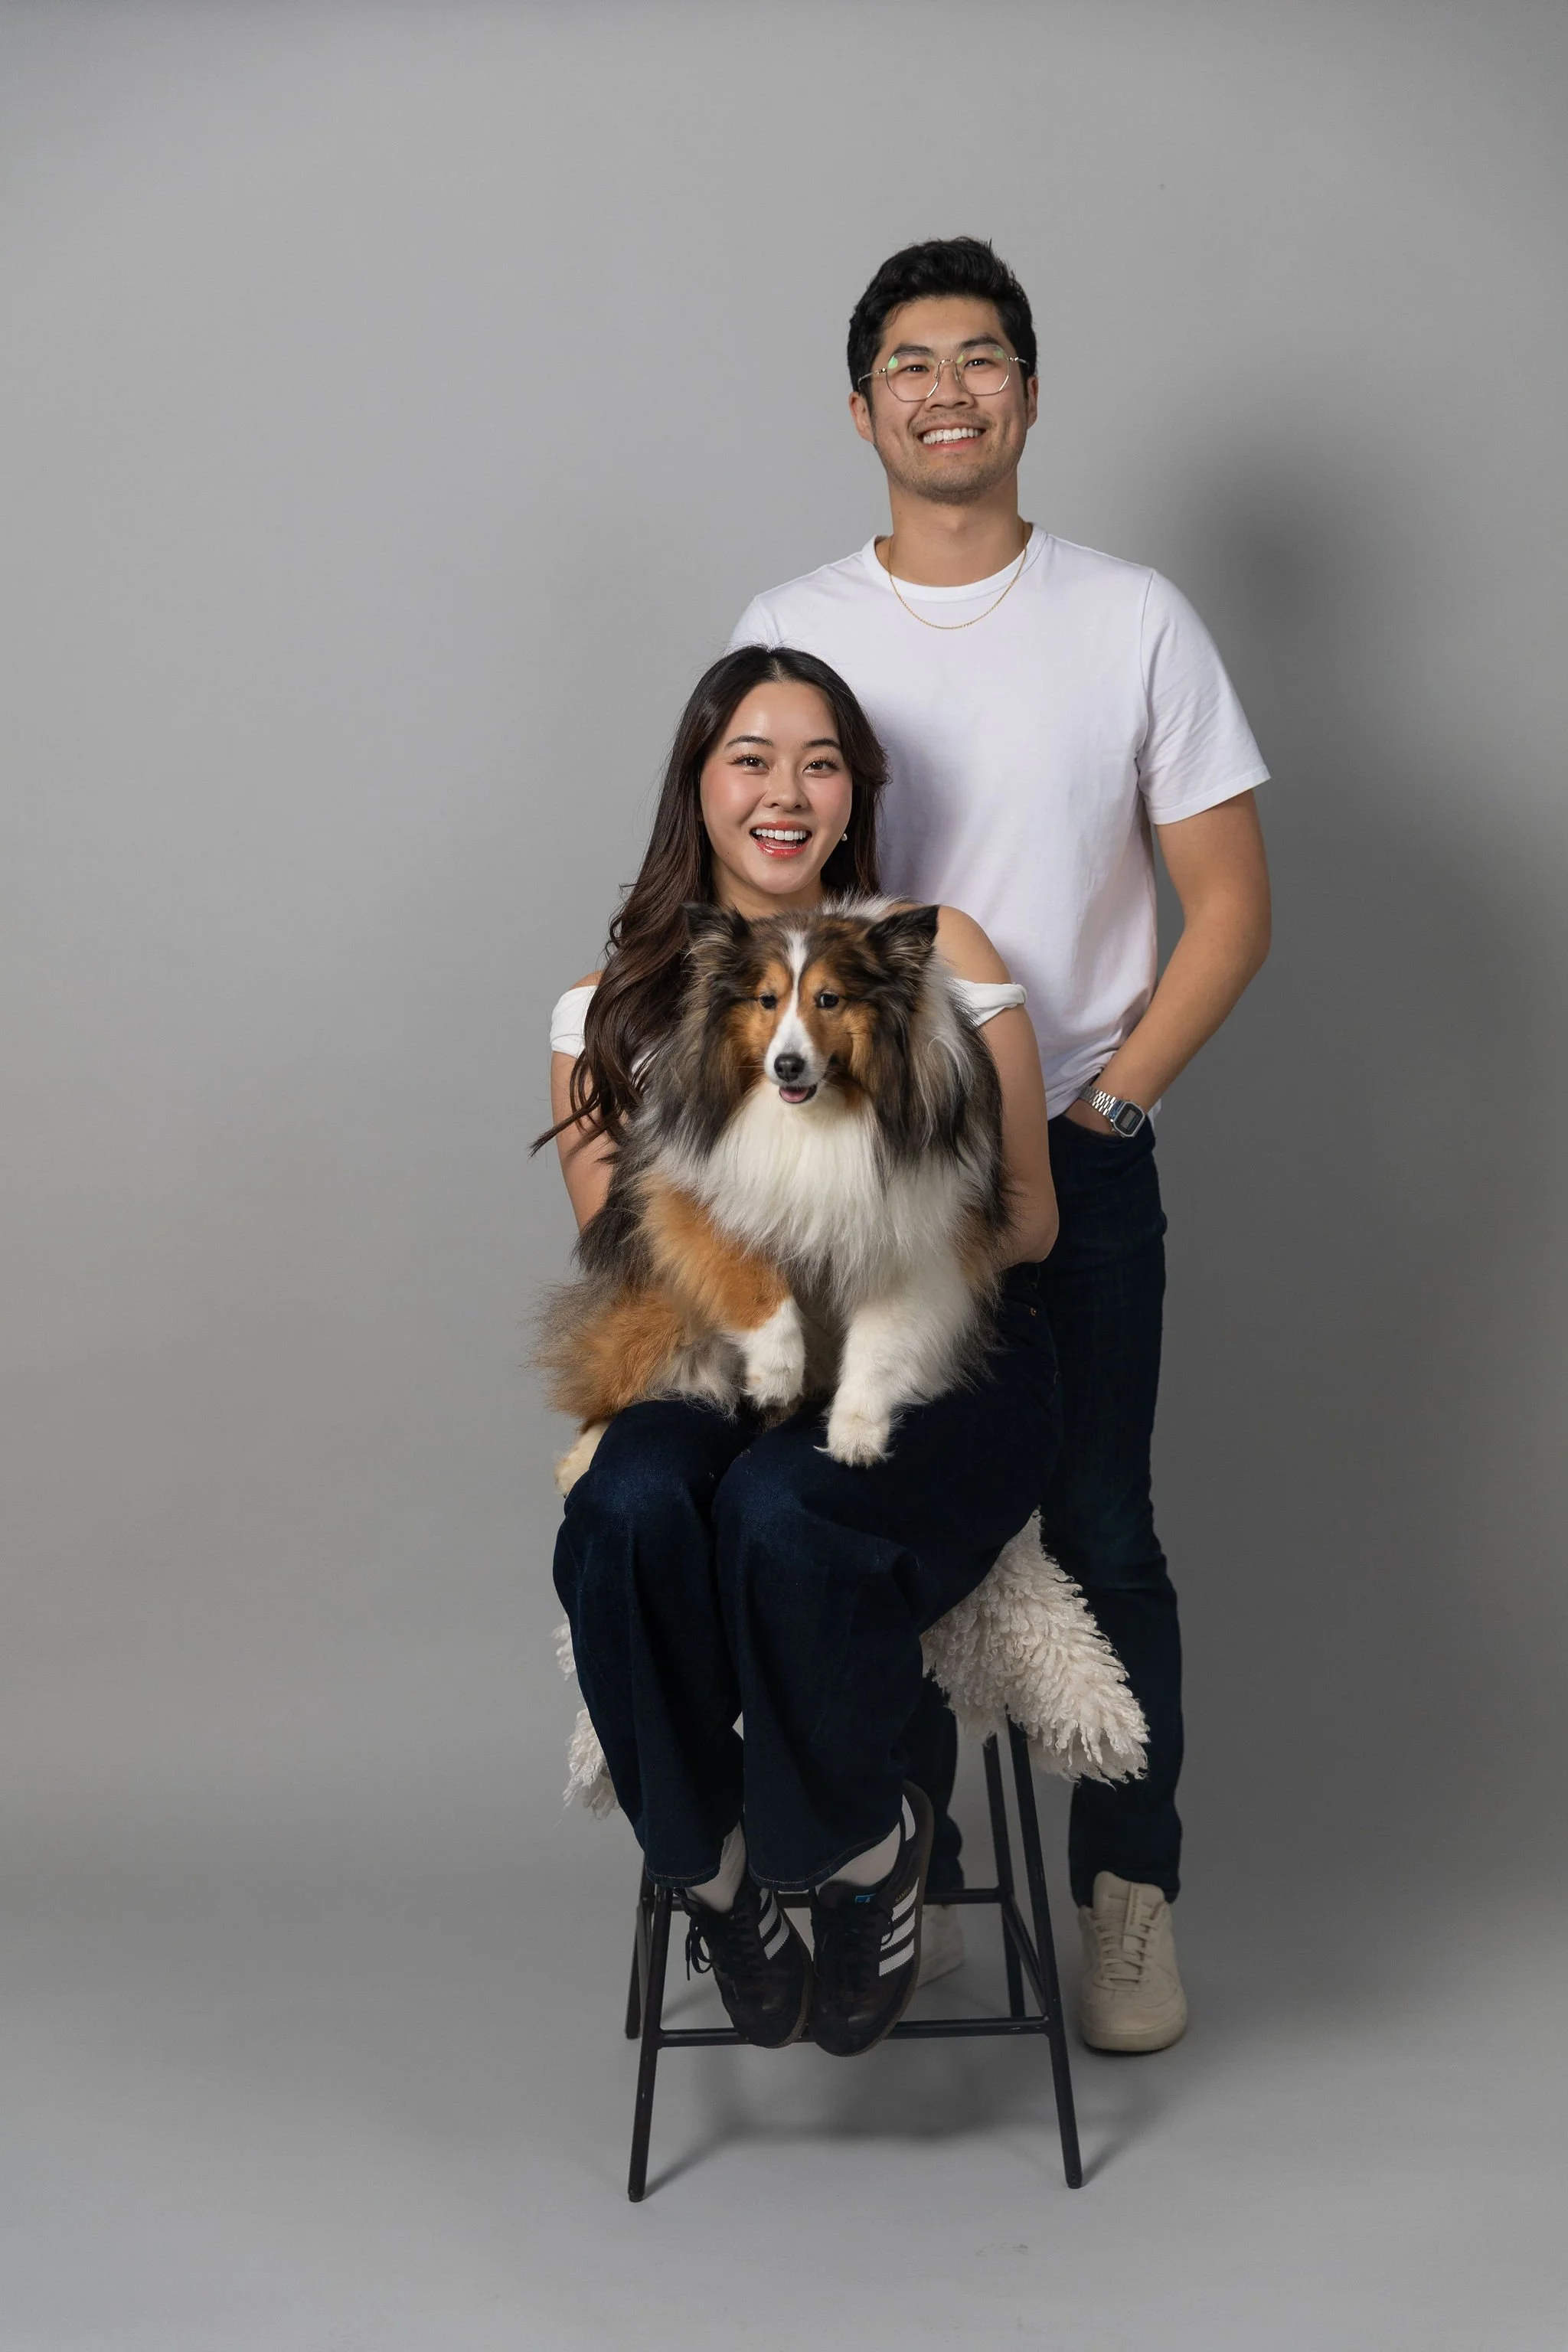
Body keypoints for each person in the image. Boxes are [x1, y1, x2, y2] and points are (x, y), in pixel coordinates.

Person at [727, 236, 1272, 2054]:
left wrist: (1107, 1108)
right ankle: (912, 1874)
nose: (945, 390)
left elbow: (1227, 907)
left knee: (1103, 1530)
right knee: (870, 1518)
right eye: (909, 362)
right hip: (852, 1176)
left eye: (980, 358)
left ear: (1028, 394)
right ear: (860, 404)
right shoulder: (790, 625)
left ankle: (1129, 1902)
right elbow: (742, 884)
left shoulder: (1133, 617)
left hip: (1074, 1148)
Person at [545, 644, 1062, 2056]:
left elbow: (1027, 1223)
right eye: (751, 759)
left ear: (853, 795)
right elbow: (630, 1254)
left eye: (820, 761)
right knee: (632, 1502)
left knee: (786, 1510)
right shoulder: (613, 1006)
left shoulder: (932, 953)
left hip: (935, 1353)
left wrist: (871, 1252)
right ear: (698, 787)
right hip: (726, 1355)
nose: (786, 790)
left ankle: (855, 1848)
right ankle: (707, 1864)